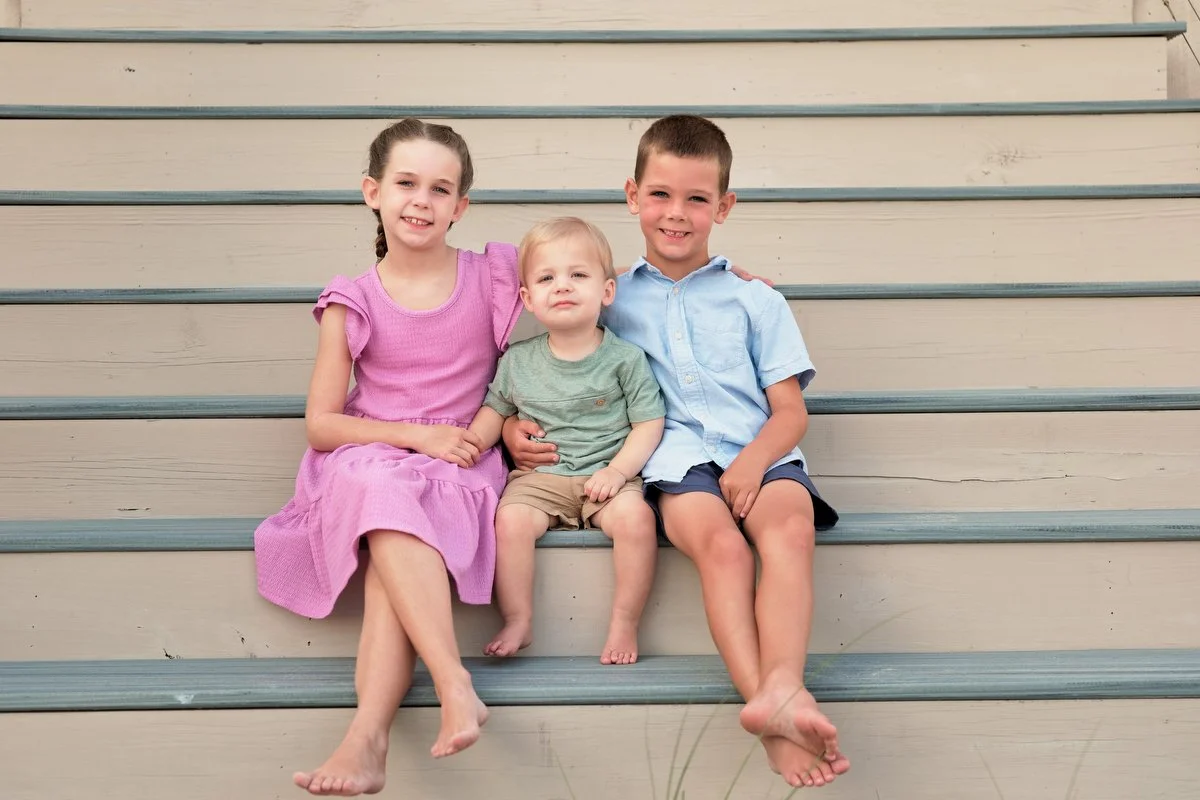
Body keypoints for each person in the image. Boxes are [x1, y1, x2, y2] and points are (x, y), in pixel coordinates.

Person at [504, 115, 852, 789]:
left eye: (697, 199)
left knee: (790, 530)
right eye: (660, 195)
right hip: (674, 464)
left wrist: (753, 464)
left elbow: (790, 412)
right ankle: (774, 708)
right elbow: (551, 341)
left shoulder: (754, 299)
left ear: (723, 207)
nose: (677, 214)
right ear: (632, 196)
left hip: (762, 451)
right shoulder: (607, 292)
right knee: (721, 549)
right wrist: (515, 423)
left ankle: (781, 686)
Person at [254, 118, 524, 796]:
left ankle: (366, 737)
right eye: (405, 183)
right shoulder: (354, 299)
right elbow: (322, 425)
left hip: (460, 462)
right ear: (372, 192)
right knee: (379, 488)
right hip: (371, 454)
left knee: (388, 554)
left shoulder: (492, 275)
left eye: (441, 189)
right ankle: (452, 681)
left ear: (460, 206)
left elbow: (588, 284)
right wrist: (414, 435)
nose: (421, 201)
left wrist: (708, 274)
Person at [467, 216, 665, 666]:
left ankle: (624, 621)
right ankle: (518, 618)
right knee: (512, 520)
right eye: (547, 278)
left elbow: (648, 423)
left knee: (637, 521)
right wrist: (473, 443)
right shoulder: (518, 362)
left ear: (607, 291)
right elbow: (495, 410)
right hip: (542, 480)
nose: (563, 286)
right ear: (528, 299)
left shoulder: (625, 359)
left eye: (578, 275)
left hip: (607, 478)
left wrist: (618, 472)